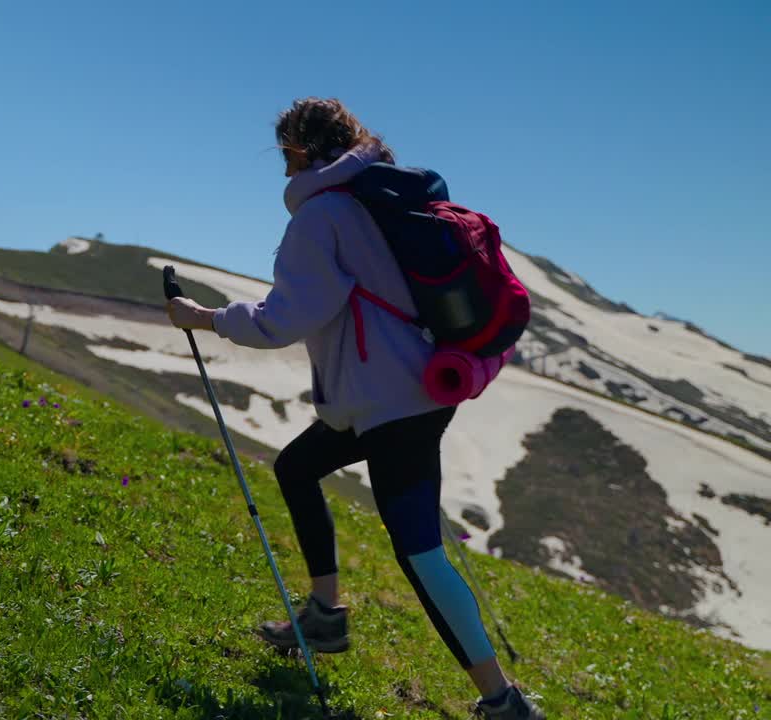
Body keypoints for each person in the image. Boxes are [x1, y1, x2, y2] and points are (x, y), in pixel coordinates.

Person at [165, 97, 545, 719]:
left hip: (389, 404)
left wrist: (204, 319)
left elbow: (285, 318)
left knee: (420, 552)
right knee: (297, 466)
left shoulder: (324, 216)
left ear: (308, 153)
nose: (286, 176)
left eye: (288, 158)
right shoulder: (380, 201)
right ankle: (325, 617)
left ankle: (502, 701)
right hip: (400, 392)